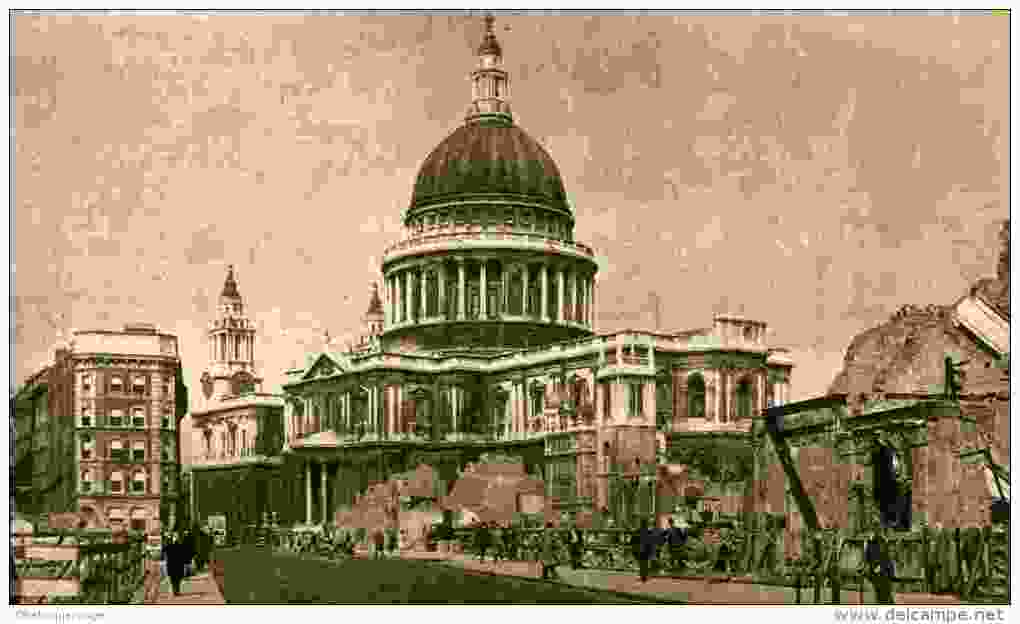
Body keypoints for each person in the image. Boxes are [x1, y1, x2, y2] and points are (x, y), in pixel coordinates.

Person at [864, 528, 896, 604]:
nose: (877, 531)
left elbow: (888, 560)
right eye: (875, 528)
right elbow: (866, 560)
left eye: (878, 529)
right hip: (875, 578)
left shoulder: (884, 542)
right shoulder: (869, 542)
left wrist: (882, 568)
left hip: (884, 578)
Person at [165, 532, 187, 596]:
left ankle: (175, 591)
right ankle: (176, 591)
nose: (175, 538)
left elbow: (165, 551)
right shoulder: (180, 545)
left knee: (175, 579)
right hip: (176, 564)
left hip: (173, 564)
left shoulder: (171, 545)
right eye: (175, 537)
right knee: (176, 579)